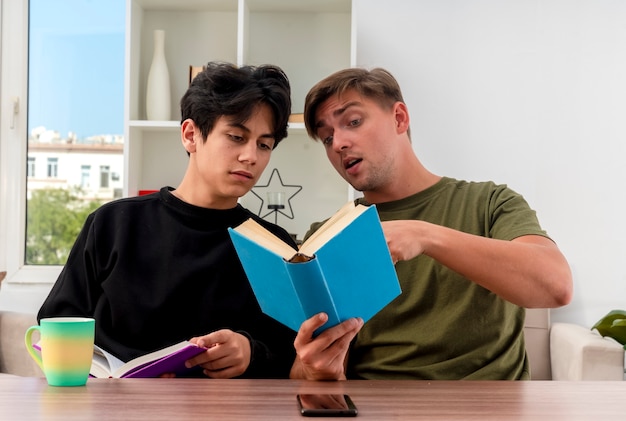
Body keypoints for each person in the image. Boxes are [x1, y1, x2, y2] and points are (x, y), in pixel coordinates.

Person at [290, 67, 573, 380]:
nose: (338, 143)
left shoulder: (490, 202)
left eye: (353, 122)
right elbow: (303, 375)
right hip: (378, 408)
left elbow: (556, 286)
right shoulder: (325, 236)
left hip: (488, 408)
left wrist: (424, 235)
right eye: (327, 138)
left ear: (399, 118)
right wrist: (317, 370)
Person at [38, 61, 299, 379]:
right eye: (235, 137)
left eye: (264, 144)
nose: (251, 156)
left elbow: (291, 353)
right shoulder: (113, 224)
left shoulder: (273, 245)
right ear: (191, 135)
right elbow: (57, 323)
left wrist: (250, 353)